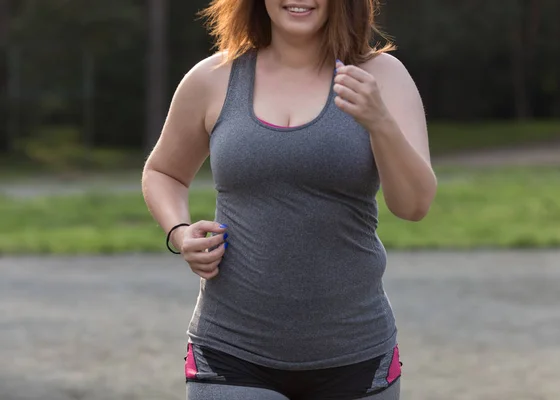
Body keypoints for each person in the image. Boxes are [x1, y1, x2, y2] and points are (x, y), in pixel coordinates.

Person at [141, 0, 437, 399]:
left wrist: (380, 121)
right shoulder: (213, 77)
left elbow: (413, 205)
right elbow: (163, 172)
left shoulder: (381, 76)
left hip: (356, 354)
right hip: (230, 352)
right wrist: (180, 233)